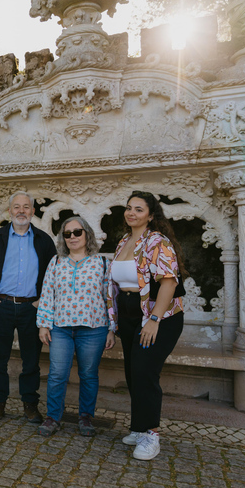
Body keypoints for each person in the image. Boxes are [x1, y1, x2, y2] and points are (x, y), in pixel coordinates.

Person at [107, 190, 185, 461]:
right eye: (129, 208)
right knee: (132, 372)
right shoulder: (123, 242)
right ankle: (139, 428)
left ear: (151, 215)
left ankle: (151, 435)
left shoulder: (157, 242)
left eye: (139, 209)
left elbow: (169, 282)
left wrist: (154, 320)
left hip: (158, 317)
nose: (131, 213)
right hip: (130, 317)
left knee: (144, 372)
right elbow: (118, 286)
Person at [0, 192, 57, 423]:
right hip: (0, 306)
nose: (21, 211)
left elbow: (53, 273)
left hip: (31, 308)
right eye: (17, 207)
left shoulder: (43, 240)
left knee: (31, 361)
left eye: (26, 207)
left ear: (32, 211)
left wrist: (41, 300)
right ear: (10, 211)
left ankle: (30, 405)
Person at [36, 217, 113, 437]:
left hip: (94, 328)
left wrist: (111, 329)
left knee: (88, 375)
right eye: (67, 234)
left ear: (87, 234)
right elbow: (47, 293)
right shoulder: (56, 262)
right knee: (57, 374)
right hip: (60, 328)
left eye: (77, 232)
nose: (72, 237)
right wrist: (43, 325)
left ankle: (86, 417)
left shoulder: (102, 263)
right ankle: (53, 417)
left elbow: (110, 299)